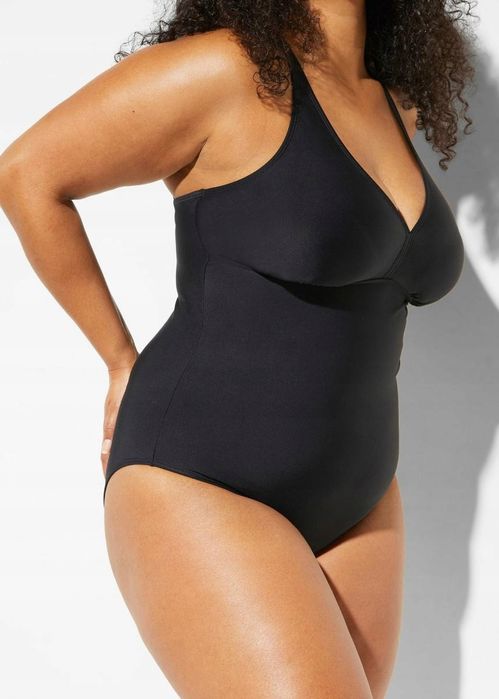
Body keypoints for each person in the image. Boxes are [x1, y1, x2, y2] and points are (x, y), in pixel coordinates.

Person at [0, 1, 475, 697]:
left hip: (361, 497)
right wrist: (119, 358)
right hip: (201, 476)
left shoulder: (394, 103)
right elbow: (27, 174)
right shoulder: (228, 70)